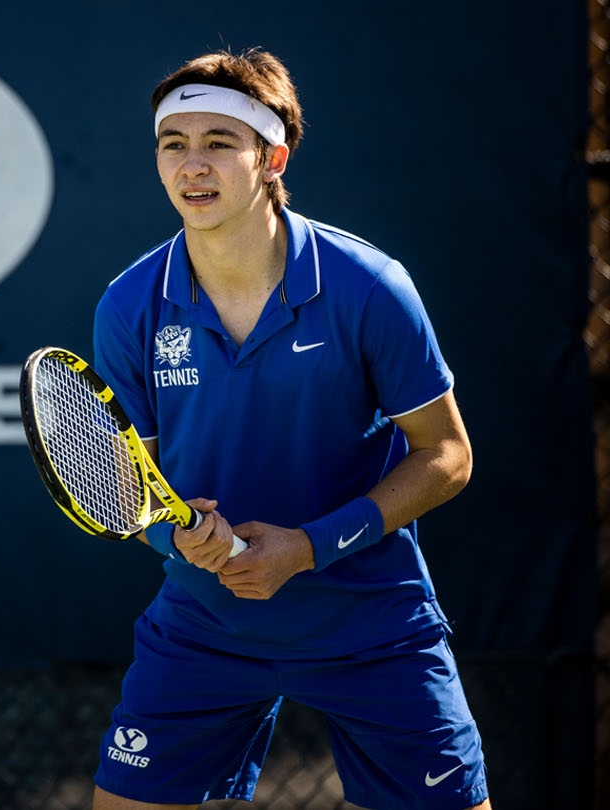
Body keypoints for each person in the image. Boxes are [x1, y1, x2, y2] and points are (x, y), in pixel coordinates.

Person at [89, 48, 491, 810]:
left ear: (271, 157)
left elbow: (448, 454)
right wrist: (175, 536)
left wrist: (308, 548)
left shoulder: (368, 286)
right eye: (174, 144)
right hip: (204, 627)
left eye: (218, 143)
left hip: (372, 623)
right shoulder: (128, 304)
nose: (192, 165)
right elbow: (121, 478)